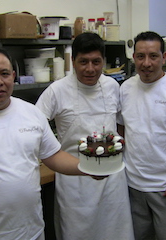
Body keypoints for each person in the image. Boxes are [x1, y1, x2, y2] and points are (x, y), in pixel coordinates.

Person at [0, 47, 85, 240]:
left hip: (33, 231)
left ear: (13, 76)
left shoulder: (32, 113)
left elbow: (53, 156)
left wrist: (87, 168)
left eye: (4, 74)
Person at [35, 32, 134, 240]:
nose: (90, 69)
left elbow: (120, 124)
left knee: (115, 231)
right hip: (75, 177)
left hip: (111, 177)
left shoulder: (112, 86)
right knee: (77, 232)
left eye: (96, 62)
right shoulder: (57, 90)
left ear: (104, 61)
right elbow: (35, 125)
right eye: (83, 62)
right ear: (73, 61)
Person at [118, 31, 166, 240]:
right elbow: (122, 131)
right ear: (133, 57)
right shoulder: (125, 88)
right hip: (133, 185)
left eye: (153, 56)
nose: (146, 63)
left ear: (164, 57)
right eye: (140, 56)